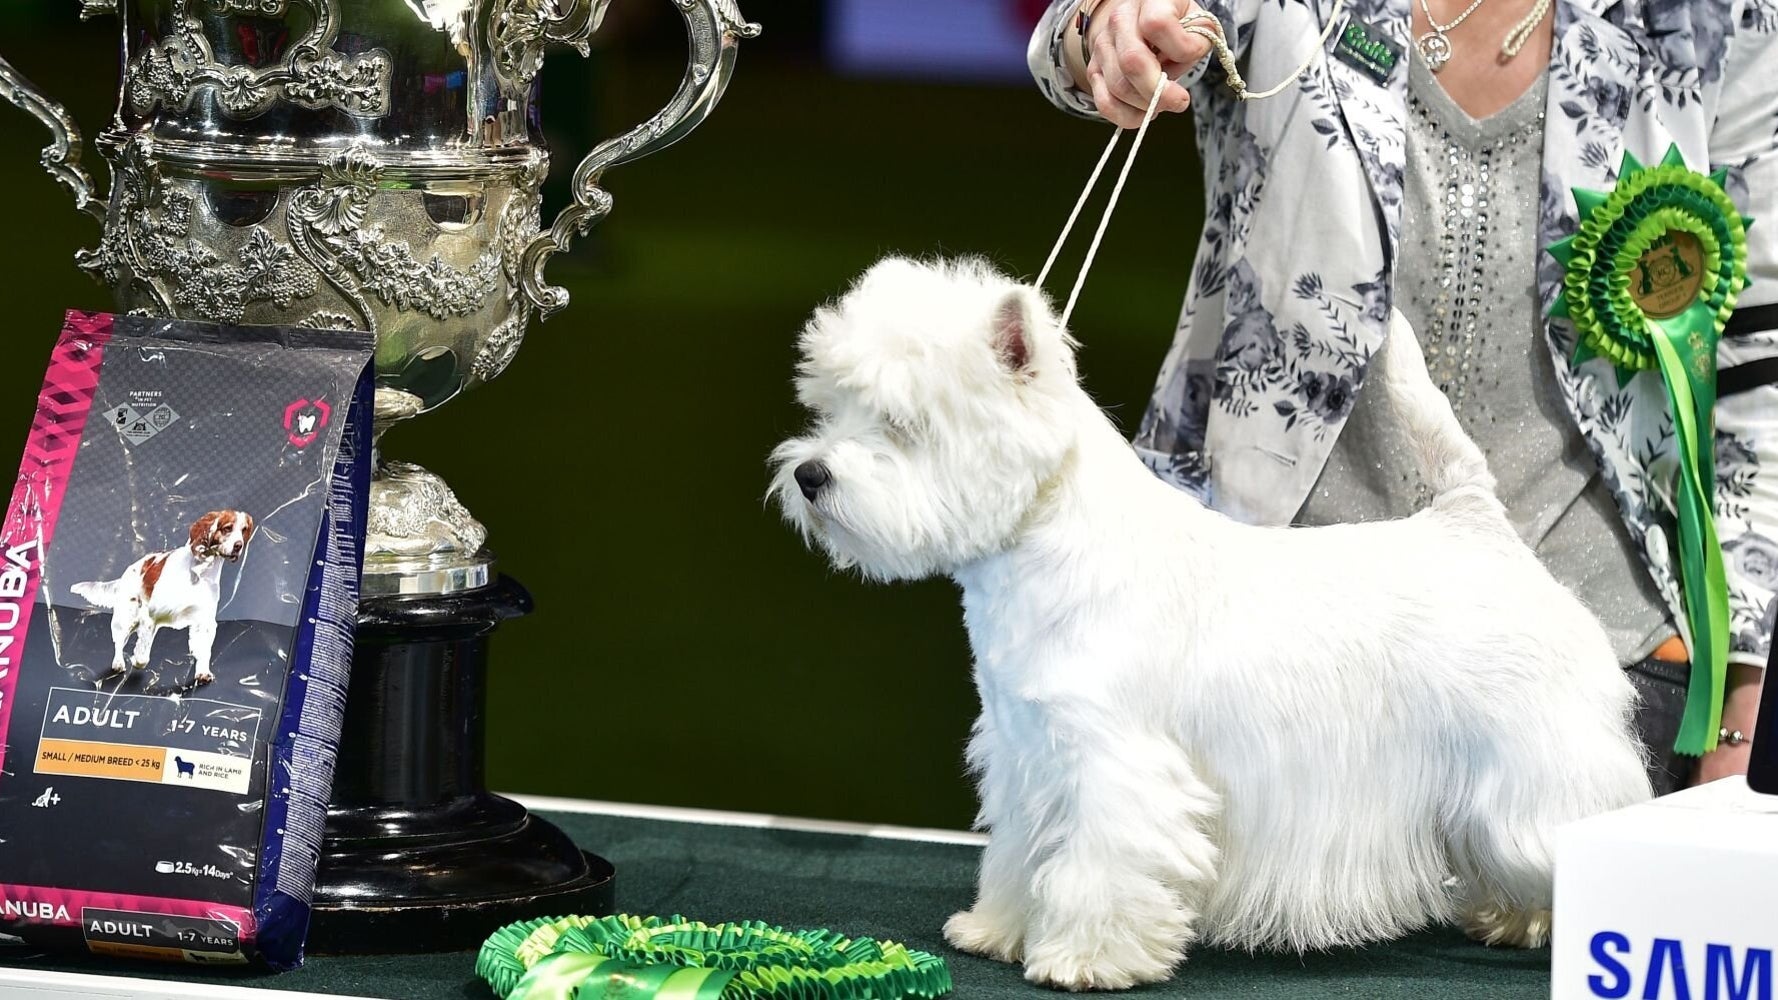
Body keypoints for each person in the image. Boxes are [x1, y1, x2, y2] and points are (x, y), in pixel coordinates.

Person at [1027, 0, 1778, 793]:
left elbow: (1758, 356)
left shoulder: (1721, 13)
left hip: (1602, 656)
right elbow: (1067, 48)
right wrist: (1104, 29)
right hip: (1265, 650)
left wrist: (1738, 713)